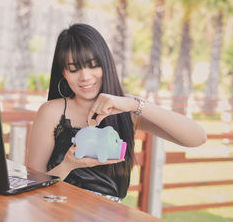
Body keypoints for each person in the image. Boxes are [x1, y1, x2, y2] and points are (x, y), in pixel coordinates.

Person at [26, 23, 207, 202]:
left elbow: (197, 137)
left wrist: (135, 105)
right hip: (59, 215)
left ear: (106, 64)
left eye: (93, 65)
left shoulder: (127, 109)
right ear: (63, 73)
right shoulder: (52, 112)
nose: (85, 77)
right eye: (74, 69)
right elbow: (33, 183)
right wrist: (68, 165)